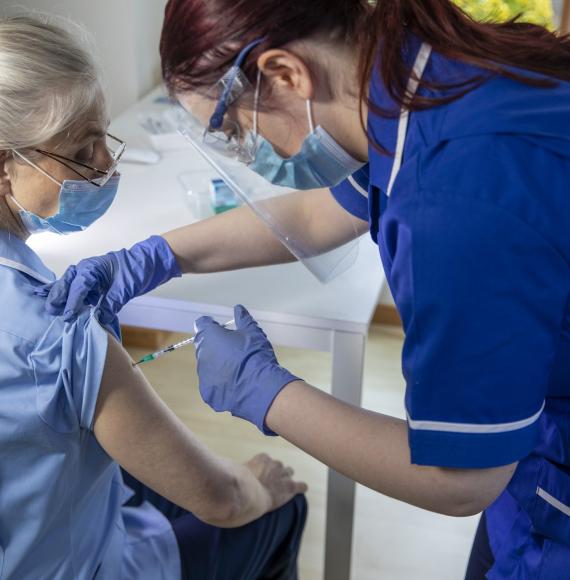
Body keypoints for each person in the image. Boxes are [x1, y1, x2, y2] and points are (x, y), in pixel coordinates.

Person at [45, 0, 570, 578]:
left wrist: (268, 392)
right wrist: (159, 255)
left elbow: (462, 481)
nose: (247, 150)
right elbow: (320, 215)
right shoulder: (414, 75)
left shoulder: (452, 204)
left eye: (233, 128)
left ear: (286, 74)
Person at [0, 15, 308, 580]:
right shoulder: (56, 328)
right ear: (5, 167)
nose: (105, 163)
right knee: (281, 505)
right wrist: (262, 483)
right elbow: (223, 500)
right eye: (79, 149)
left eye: (103, 134)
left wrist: (156, 257)